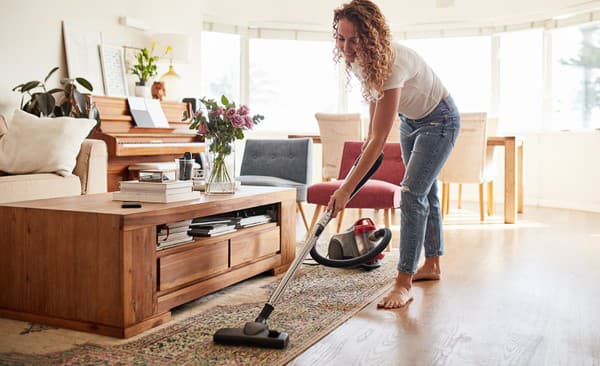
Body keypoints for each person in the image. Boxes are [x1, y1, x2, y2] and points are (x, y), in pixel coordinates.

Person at [328, 0, 460, 309]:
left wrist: (346, 188)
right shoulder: (362, 60)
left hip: (440, 120)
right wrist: (364, 153)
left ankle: (404, 283)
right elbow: (373, 129)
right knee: (427, 192)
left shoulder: (391, 63)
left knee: (412, 195)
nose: (346, 47)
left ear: (370, 37)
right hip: (410, 121)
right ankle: (433, 264)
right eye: (340, 38)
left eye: (353, 40)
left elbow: (378, 138)